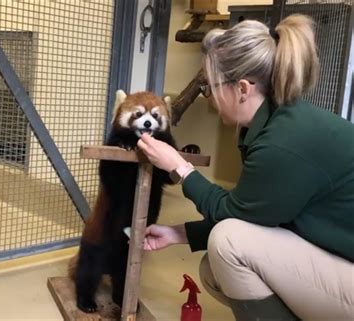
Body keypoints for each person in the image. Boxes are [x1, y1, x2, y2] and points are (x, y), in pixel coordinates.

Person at [137, 14, 354, 321]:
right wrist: (179, 233)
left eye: (212, 88)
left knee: (227, 243)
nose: (211, 100)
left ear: (242, 89)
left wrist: (179, 167)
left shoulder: (282, 141)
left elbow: (234, 215)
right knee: (214, 267)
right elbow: (259, 215)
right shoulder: (277, 123)